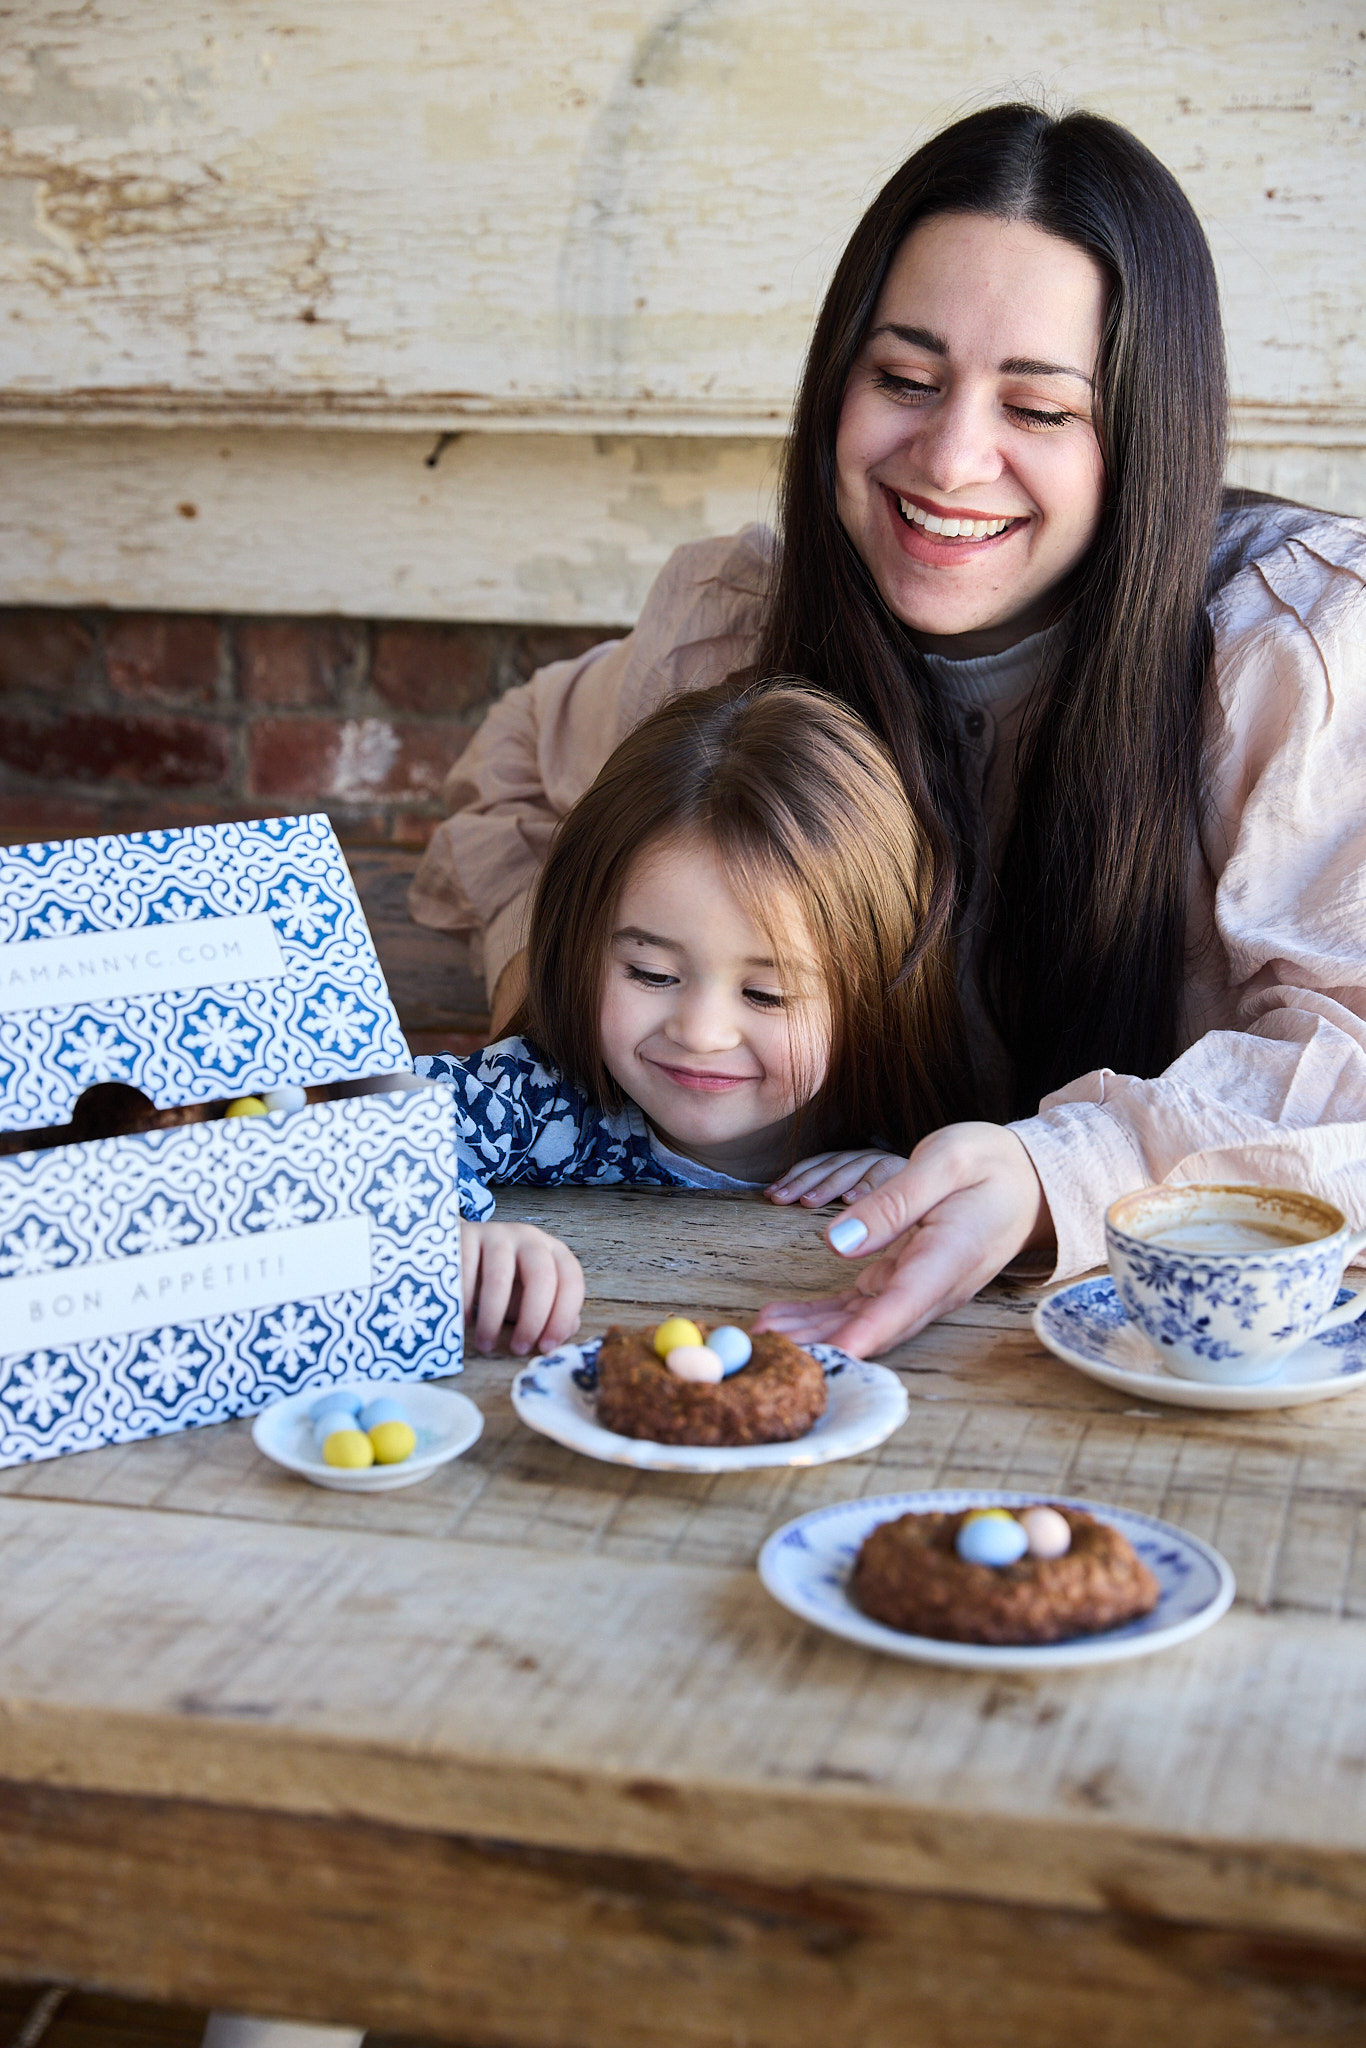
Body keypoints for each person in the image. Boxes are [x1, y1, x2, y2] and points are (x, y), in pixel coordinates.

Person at [410, 101, 1366, 1358]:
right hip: (743, 1286)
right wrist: (577, 993)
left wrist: (1048, 1177)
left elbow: (1346, 1061)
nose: (952, 458)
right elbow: (519, 773)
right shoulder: (734, 628)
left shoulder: (1290, 651)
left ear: (1141, 434)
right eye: (905, 380)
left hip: (1139, 1356)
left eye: (1039, 409)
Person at [414, 678, 968, 1357]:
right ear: (580, 945)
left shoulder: (913, 1132)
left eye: (767, 994)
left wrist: (915, 1187)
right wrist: (448, 1235)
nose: (700, 1034)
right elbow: (342, 1135)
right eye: (651, 974)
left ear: (876, 989)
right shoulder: (536, 1099)